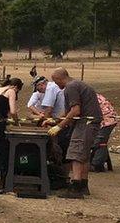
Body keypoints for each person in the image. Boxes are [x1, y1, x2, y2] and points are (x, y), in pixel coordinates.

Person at [43, 68, 102, 198]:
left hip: (85, 123)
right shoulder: (77, 84)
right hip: (91, 122)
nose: (56, 85)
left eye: (55, 81)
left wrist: (59, 127)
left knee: (75, 153)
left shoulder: (71, 87)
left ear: (59, 78)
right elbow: (69, 111)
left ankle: (75, 188)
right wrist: (55, 120)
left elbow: (75, 110)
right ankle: (83, 186)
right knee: (84, 155)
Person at [90, 93, 117, 172]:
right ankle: (96, 162)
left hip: (107, 120)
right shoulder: (94, 95)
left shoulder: (89, 98)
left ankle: (97, 164)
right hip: (107, 119)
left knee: (99, 142)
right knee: (100, 141)